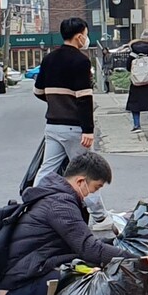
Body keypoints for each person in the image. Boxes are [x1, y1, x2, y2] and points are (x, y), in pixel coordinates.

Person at [0, 152, 144, 295]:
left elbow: (83, 245)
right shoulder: (60, 204)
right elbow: (90, 250)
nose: (91, 195)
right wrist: (138, 260)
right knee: (98, 281)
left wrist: (116, 246)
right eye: (95, 188)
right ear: (81, 181)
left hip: (20, 285)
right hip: (19, 293)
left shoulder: (54, 195)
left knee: (92, 267)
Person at [33, 17, 112, 230]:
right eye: (85, 34)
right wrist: (88, 129)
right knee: (86, 173)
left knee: (47, 169)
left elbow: (38, 91)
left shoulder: (49, 59)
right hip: (74, 127)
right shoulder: (80, 61)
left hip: (52, 124)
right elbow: (84, 98)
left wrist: (56, 101)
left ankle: (33, 205)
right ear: (79, 36)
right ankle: (100, 217)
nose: (86, 38)